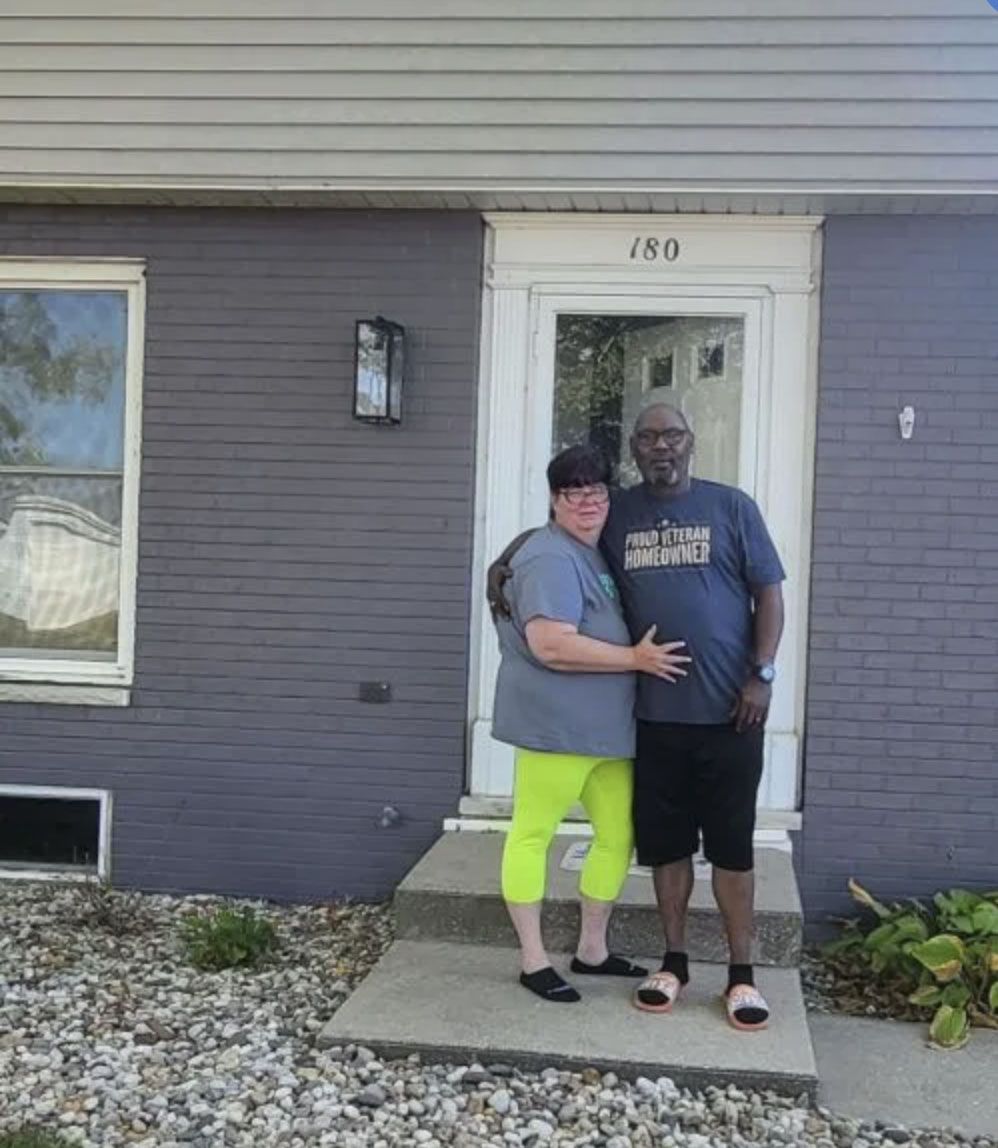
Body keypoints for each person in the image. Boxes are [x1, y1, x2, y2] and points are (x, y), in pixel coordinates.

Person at [489, 404, 785, 1030]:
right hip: (649, 723)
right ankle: (661, 963)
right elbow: (554, 534)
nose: (661, 446)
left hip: (728, 715)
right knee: (660, 848)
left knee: (720, 849)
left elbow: (770, 592)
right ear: (635, 448)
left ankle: (739, 976)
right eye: (648, 437)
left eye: (672, 434)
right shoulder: (617, 511)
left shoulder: (731, 507)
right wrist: (503, 564)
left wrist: (762, 673)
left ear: (691, 441)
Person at [492, 442, 690, 1003]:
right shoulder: (551, 557)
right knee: (533, 834)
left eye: (597, 491)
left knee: (617, 836)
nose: (587, 503)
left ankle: (593, 950)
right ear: (555, 500)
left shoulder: (592, 550)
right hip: (556, 730)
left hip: (608, 733)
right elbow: (551, 644)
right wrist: (635, 658)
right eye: (573, 493)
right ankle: (533, 961)